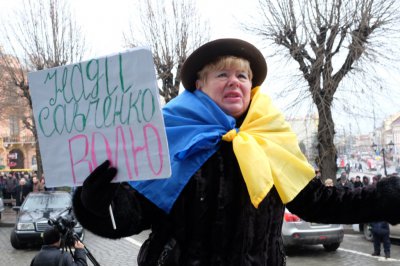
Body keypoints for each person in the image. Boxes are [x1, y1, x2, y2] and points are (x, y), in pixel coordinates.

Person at [72, 38, 400, 265]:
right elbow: (130, 215)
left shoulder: (272, 139)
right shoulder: (170, 136)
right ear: (200, 85)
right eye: (222, 74)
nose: (235, 82)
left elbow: (319, 202)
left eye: (242, 75)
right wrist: (95, 204)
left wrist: (387, 197)